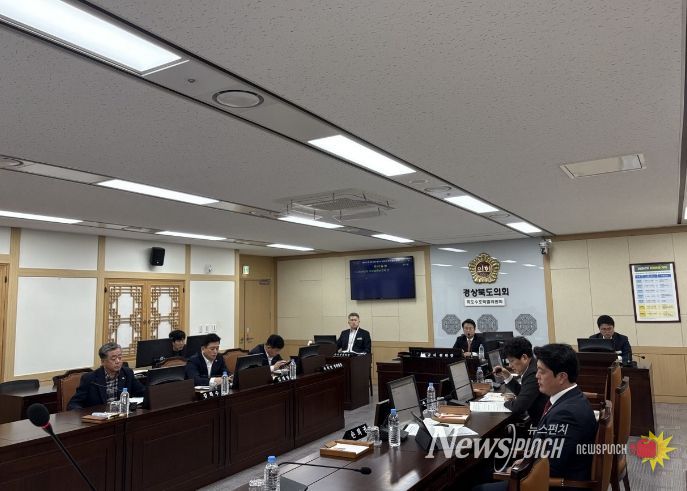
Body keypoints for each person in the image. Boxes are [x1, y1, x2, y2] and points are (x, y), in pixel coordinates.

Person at [534, 343, 598, 485]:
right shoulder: (572, 396)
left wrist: (520, 468)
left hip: (558, 484)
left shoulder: (565, 414)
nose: (537, 376)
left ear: (562, 377)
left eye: (541, 371)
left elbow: (551, 467)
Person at [67, 342, 145, 410]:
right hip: (99, 418)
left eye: (120, 357)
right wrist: (86, 416)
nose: (118, 361)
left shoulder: (127, 373)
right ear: (103, 362)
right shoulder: (90, 378)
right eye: (113, 359)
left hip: (122, 416)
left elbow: (142, 392)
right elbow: (73, 404)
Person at [495, 336, 548, 422]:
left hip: (542, 423)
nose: (510, 366)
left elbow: (519, 407)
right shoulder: (532, 366)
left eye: (512, 361)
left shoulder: (533, 373)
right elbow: (524, 392)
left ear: (524, 357)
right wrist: (507, 375)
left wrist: (505, 403)